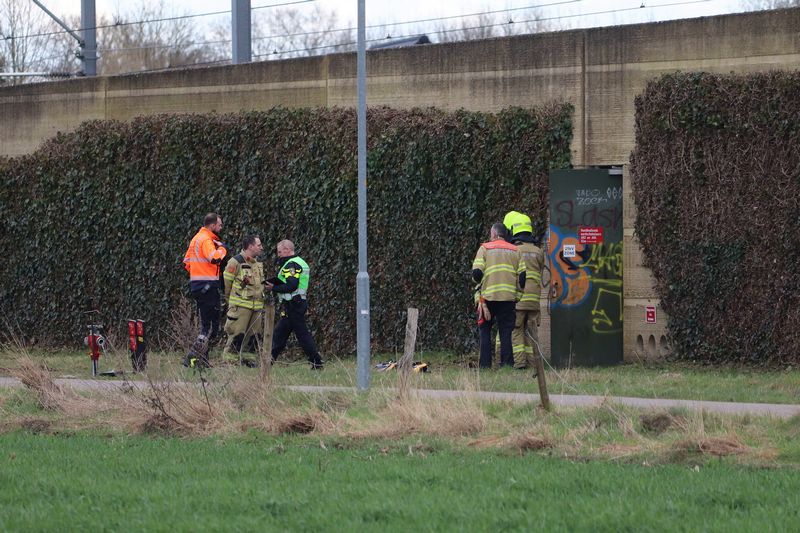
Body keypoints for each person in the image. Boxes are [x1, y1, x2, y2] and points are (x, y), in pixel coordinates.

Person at [472, 223, 525, 369]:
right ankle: (507, 365)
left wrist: (479, 289)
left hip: (487, 298)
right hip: (508, 298)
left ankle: (485, 366)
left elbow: (476, 274)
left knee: (485, 331)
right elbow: (522, 278)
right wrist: (517, 296)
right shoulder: (516, 250)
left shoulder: (485, 248)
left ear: (494, 234)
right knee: (506, 333)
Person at [264, 240, 324, 369]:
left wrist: (274, 287)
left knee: (302, 336)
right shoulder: (298, 262)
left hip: (294, 304)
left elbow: (292, 285)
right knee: (279, 334)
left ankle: (317, 362)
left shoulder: (292, 264)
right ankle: (268, 362)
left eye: (279, 252)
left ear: (287, 249)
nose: (278, 255)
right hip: (293, 304)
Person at [182, 212, 227, 367]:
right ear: (212, 225)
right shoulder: (207, 240)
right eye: (219, 225)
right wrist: (223, 250)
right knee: (211, 327)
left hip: (197, 285)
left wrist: (198, 272)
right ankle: (192, 357)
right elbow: (214, 258)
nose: (221, 228)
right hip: (208, 285)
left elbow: (187, 262)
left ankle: (203, 360)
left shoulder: (195, 239)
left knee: (206, 324)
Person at [503, 211, 545, 369]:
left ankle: (520, 364)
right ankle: (535, 364)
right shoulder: (538, 251)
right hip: (534, 300)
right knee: (532, 332)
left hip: (519, 299)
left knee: (517, 330)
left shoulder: (514, 250)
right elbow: (540, 271)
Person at [221, 234, 265, 366]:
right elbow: (226, 284)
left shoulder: (257, 264)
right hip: (240, 307)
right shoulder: (236, 262)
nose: (261, 248)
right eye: (259, 245)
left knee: (253, 337)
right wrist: (231, 301)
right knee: (237, 335)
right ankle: (230, 362)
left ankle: (249, 361)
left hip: (256, 307)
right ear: (250, 246)